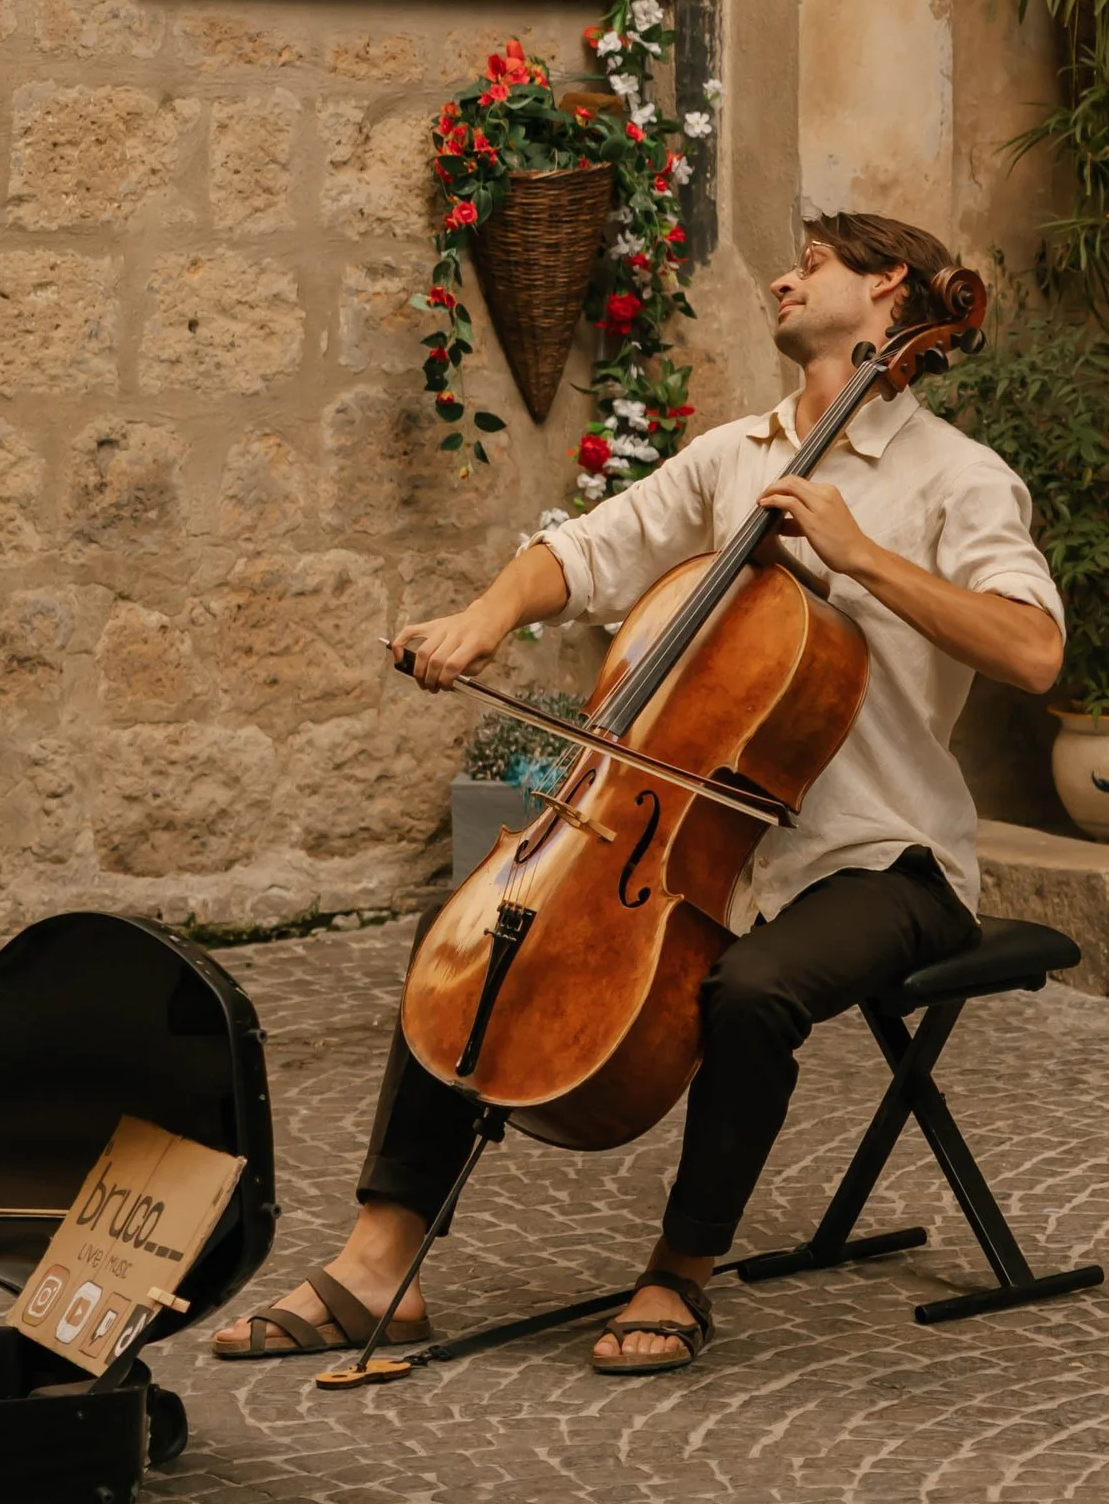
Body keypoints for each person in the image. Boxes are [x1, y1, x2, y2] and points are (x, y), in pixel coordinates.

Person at [211, 208, 1064, 1376]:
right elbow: (583, 550)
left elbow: (1031, 652)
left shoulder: (961, 480)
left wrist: (861, 558)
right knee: (461, 933)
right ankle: (378, 1268)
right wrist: (484, 617)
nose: (780, 272)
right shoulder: (734, 455)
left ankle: (680, 1272)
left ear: (890, 292)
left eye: (811, 262)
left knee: (754, 994)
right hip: (696, 846)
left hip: (882, 858)